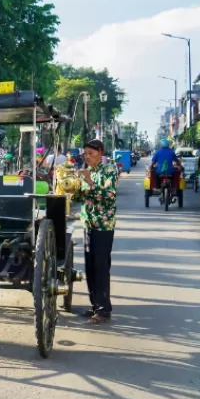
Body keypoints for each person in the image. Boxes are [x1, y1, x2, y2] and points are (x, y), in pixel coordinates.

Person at [72, 139, 118, 324]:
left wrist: (89, 182)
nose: (88, 157)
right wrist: (73, 184)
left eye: (91, 154)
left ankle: (103, 310)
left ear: (100, 152)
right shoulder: (87, 171)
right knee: (90, 267)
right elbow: (78, 196)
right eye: (85, 154)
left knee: (101, 267)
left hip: (103, 225)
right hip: (89, 224)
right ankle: (95, 305)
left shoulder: (109, 170)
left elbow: (109, 196)